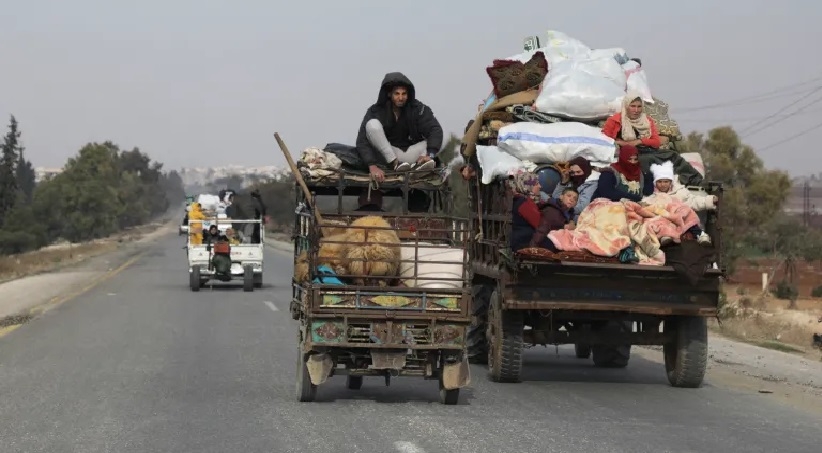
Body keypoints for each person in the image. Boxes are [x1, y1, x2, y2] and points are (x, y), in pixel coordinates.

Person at [355, 72, 444, 182]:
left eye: (404, 94)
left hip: (410, 155)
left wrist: (430, 154)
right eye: (397, 94)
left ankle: (421, 167)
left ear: (408, 94)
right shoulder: (375, 111)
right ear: (389, 94)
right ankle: (395, 164)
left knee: (441, 139)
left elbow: (434, 129)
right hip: (388, 156)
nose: (400, 98)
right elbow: (362, 141)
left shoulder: (417, 108)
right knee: (372, 125)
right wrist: (372, 166)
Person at [647, 161, 713, 246]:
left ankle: (700, 235)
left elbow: (692, 201)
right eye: (660, 182)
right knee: (660, 221)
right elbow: (646, 204)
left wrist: (709, 200)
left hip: (680, 219)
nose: (663, 185)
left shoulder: (680, 192)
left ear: (670, 182)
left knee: (688, 215)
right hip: (666, 220)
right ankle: (666, 236)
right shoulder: (653, 196)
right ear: (655, 183)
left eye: (666, 182)